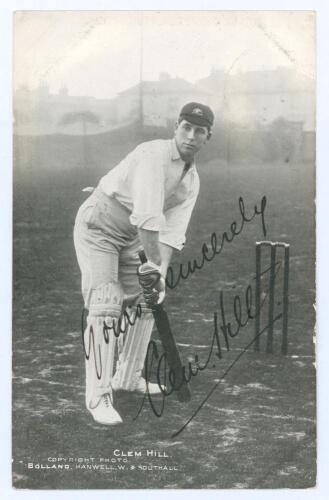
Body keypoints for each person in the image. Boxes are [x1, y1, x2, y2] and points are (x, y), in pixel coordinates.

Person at [73, 102, 214, 425]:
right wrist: (152, 266)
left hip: (134, 236)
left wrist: (159, 275)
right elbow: (148, 218)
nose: (191, 136)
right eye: (186, 128)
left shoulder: (191, 181)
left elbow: (171, 233)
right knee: (106, 304)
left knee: (147, 301)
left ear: (208, 137)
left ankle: (127, 377)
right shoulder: (153, 155)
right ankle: (99, 395)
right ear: (176, 128)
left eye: (199, 131)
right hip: (101, 225)